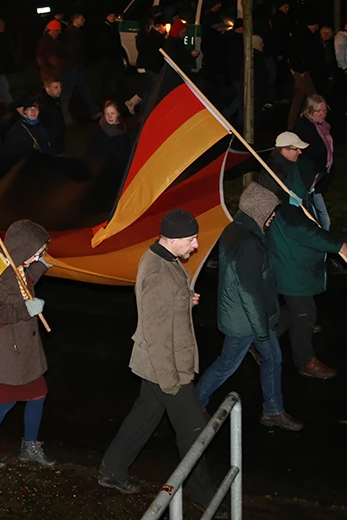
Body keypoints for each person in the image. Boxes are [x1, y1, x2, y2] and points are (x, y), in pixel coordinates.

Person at [98, 210, 228, 519]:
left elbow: (162, 305)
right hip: (165, 367)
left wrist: (185, 298)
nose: (195, 246)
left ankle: (111, 470)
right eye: (190, 240)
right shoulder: (158, 273)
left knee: (144, 416)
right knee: (195, 432)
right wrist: (172, 381)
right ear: (170, 239)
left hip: (155, 365)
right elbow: (157, 334)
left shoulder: (162, 258)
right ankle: (202, 495)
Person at [195, 183, 304, 432]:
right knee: (228, 363)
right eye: (270, 212)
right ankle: (194, 402)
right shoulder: (249, 243)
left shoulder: (237, 229)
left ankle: (273, 410)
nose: (273, 216)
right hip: (246, 319)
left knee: (272, 358)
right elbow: (250, 292)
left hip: (247, 316)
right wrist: (262, 329)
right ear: (258, 211)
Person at [0, 220, 55, 469]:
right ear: (22, 248)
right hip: (6, 349)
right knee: (4, 401)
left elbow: (23, 284)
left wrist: (39, 268)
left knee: (37, 395)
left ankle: (30, 446)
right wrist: (25, 309)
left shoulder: (18, 267)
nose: (38, 256)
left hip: (25, 348)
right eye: (37, 252)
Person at [266, 166, 347, 379]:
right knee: (305, 315)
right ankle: (305, 362)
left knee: (294, 311)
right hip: (291, 270)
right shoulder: (288, 206)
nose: (314, 184)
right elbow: (304, 231)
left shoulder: (297, 199)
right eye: (312, 180)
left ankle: (260, 341)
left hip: (293, 268)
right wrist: (337, 245)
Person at [294, 95, 335, 231]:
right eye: (318, 111)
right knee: (322, 220)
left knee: (319, 218)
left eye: (324, 111)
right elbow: (305, 157)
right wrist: (313, 178)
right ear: (308, 111)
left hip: (317, 181)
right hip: (309, 181)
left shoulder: (323, 128)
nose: (322, 114)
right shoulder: (304, 129)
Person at [0, 99, 55, 165]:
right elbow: (9, 153)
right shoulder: (17, 130)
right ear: (25, 111)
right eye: (30, 109)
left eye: (36, 109)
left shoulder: (40, 126)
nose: (33, 111)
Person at [86, 99, 130, 174]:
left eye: (112, 113)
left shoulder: (122, 128)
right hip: (104, 169)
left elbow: (126, 149)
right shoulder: (101, 130)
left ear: (118, 113)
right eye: (107, 114)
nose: (109, 117)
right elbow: (92, 150)